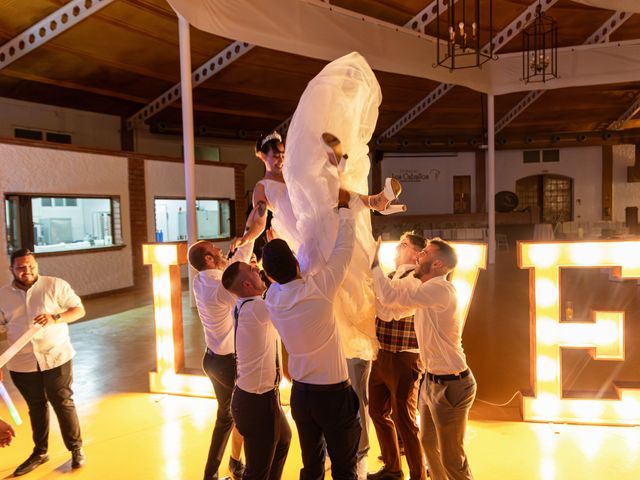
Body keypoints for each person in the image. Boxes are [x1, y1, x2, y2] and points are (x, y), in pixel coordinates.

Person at [234, 52, 404, 478]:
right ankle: (341, 451)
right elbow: (257, 221)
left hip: (321, 232)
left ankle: (353, 453)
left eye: (280, 150)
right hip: (306, 248)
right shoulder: (265, 187)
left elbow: (336, 197)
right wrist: (247, 239)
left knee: (349, 328)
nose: (277, 156)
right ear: (261, 156)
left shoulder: (304, 174)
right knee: (328, 319)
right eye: (270, 153)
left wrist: (358, 189)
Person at [262, 199, 361, 480]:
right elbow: (344, 248)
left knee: (312, 466)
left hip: (301, 396)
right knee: (344, 468)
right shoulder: (318, 289)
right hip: (333, 396)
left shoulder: (271, 300)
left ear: (268, 276)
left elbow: (284, 280)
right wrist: (344, 208)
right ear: (296, 261)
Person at [372, 239, 476, 480]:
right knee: (428, 444)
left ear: (438, 264)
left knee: (452, 459)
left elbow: (388, 297)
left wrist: (372, 262)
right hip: (433, 381)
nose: (418, 256)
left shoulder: (439, 289)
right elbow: (390, 309)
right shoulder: (423, 291)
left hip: (453, 383)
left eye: (425, 253)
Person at [0, 249, 86, 476]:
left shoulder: (54, 285)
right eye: (21, 267)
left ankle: (76, 448)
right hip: (22, 363)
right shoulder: (3, 296)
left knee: (62, 401)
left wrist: (54, 317)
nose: (27, 271)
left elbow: (78, 310)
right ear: (12, 269)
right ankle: (40, 452)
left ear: (36, 265)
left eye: (31, 266)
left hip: (56, 356)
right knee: (36, 407)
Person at [188, 241, 254, 480]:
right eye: (214, 249)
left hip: (212, 360)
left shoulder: (199, 281)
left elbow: (233, 266)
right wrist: (247, 248)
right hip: (227, 364)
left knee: (225, 418)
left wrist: (245, 243)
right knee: (247, 416)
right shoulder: (219, 288)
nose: (219, 249)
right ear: (208, 259)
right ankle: (239, 467)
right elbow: (242, 277)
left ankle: (213, 473)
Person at [221, 261, 291, 480]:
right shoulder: (257, 309)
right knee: (257, 472)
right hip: (257, 402)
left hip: (255, 399)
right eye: (251, 270)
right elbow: (290, 297)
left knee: (283, 440)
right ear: (246, 284)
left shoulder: (246, 304)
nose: (257, 268)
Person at [368, 233, 427, 480]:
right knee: (377, 412)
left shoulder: (417, 279)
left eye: (403, 245)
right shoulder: (391, 277)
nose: (396, 250)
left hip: (405, 358)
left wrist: (373, 265)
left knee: (405, 419)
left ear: (417, 254)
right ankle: (393, 468)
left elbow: (390, 309)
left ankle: (418, 474)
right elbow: (382, 307)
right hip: (382, 354)